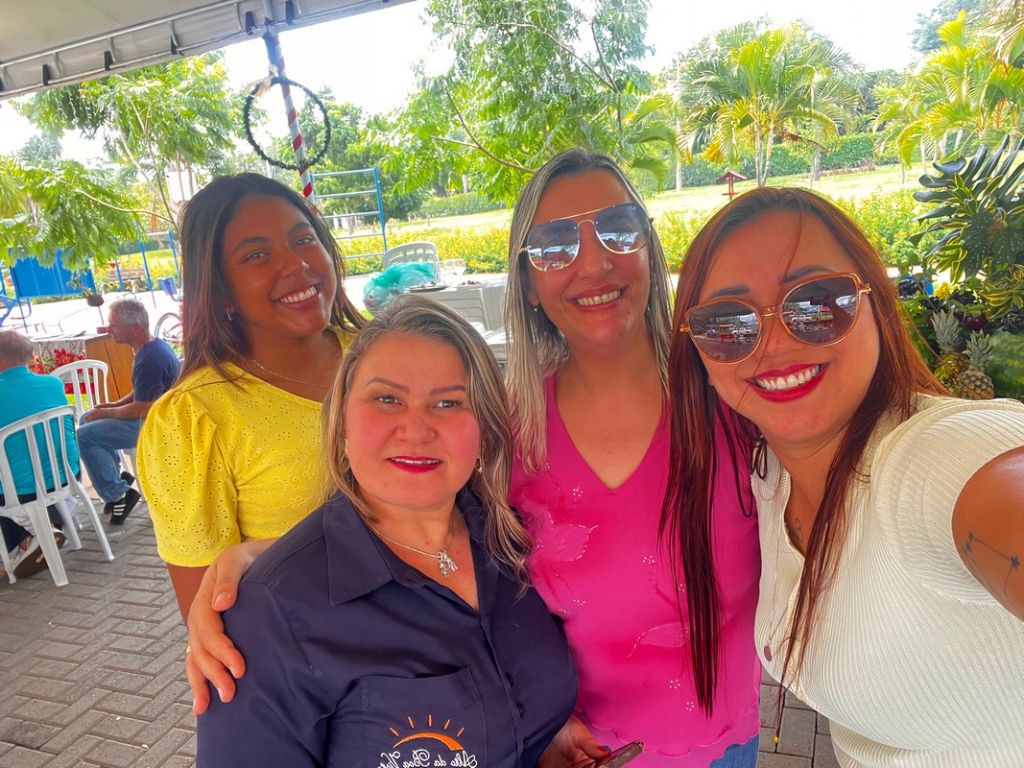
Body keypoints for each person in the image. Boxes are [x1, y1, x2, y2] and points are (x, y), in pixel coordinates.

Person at [184, 151, 762, 767]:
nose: (593, 262)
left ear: (651, 246)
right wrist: (261, 567)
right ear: (527, 282)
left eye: (619, 228)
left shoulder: (735, 392)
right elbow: (401, 522)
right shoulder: (513, 432)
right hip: (586, 738)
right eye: (554, 245)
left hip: (713, 743)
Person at [670, 186, 1024, 767]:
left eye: (816, 302)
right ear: (702, 360)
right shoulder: (768, 473)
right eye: (728, 323)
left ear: (876, 305)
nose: (774, 343)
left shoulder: (929, 457)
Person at [198, 296, 600, 768]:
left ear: (485, 430)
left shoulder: (512, 542)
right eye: (387, 399)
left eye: (449, 402)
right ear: (342, 420)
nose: (416, 428)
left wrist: (542, 736)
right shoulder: (272, 612)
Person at [137, 173, 365, 622]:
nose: (296, 265)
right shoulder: (194, 419)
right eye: (257, 255)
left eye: (303, 240)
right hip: (314, 650)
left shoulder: (383, 352)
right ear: (219, 290)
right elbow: (209, 611)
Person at [77, 297, 179, 523]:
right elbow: (141, 392)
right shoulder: (149, 347)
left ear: (135, 329)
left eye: (114, 325)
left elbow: (143, 408)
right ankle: (115, 482)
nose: (108, 329)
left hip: (155, 424)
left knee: (83, 436)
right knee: (86, 419)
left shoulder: (149, 359)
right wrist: (113, 405)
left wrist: (107, 413)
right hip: (151, 415)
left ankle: (118, 494)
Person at [0, 330, 74, 578]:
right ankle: (40, 532)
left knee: (9, 476)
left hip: (21, 490)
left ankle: (29, 538)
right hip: (63, 475)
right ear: (29, 356)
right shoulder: (53, 384)